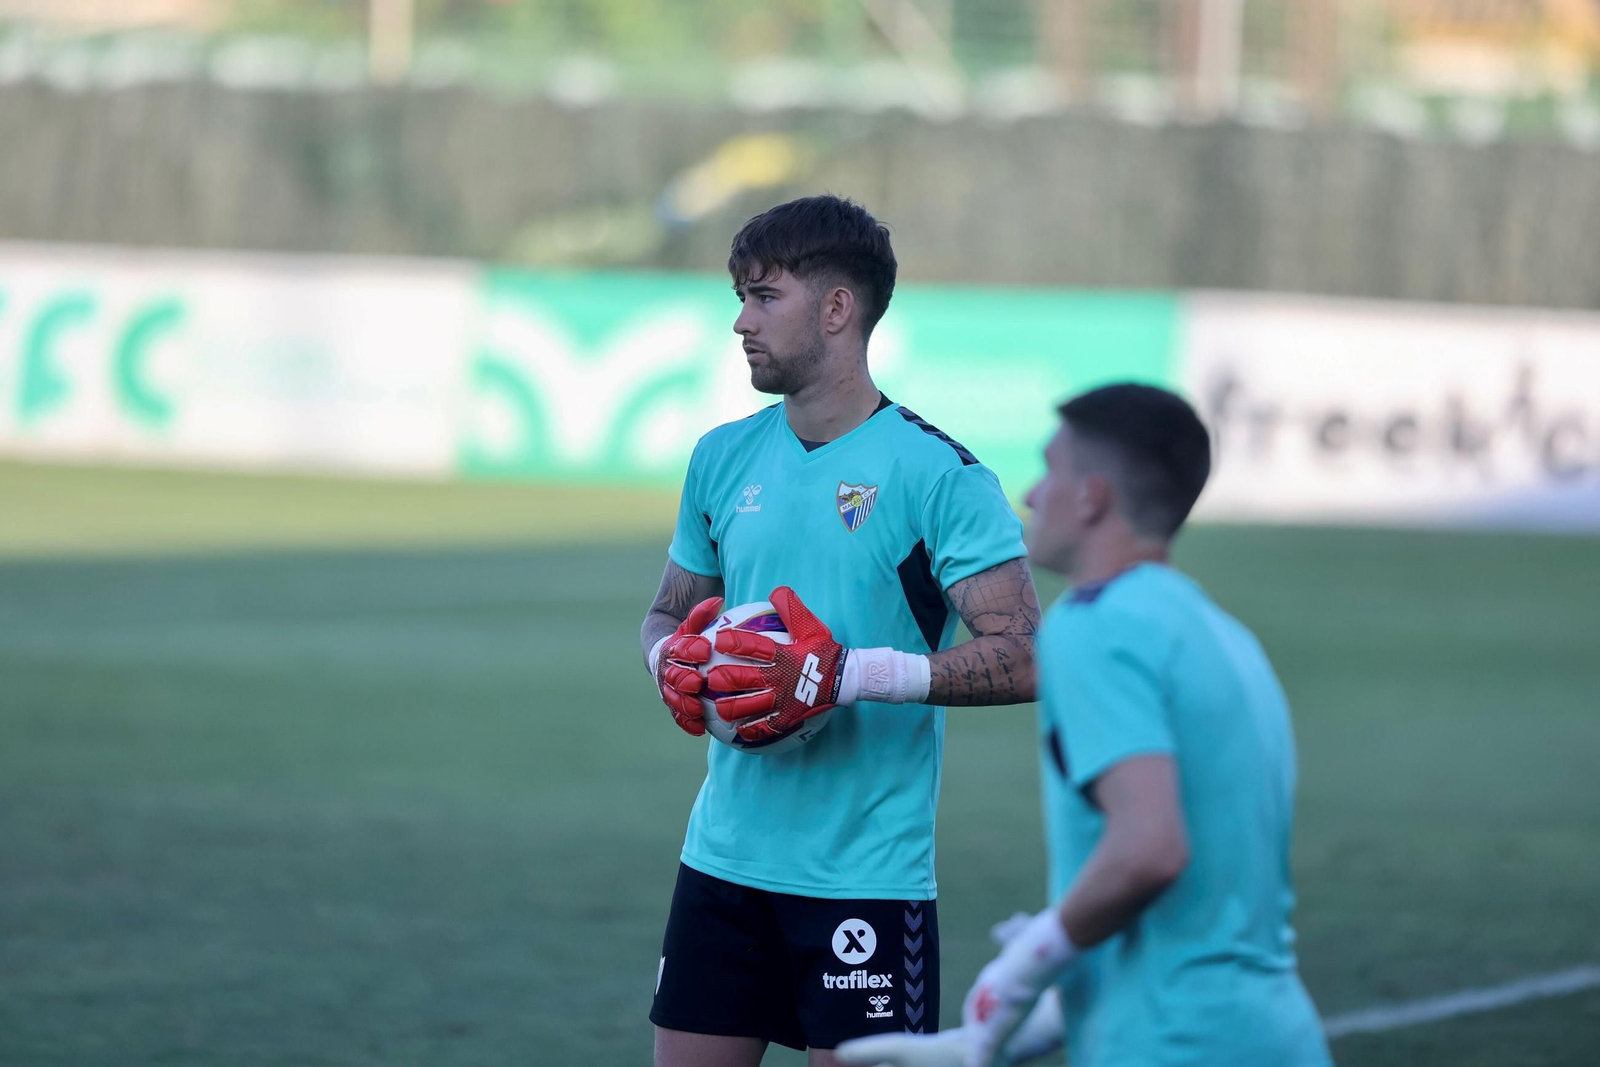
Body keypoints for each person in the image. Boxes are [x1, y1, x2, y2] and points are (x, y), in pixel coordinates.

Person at [640, 194, 1043, 1067]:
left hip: (864, 881)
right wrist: (664, 658)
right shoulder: (721, 456)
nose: (740, 322)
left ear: (836, 308)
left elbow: (1026, 654)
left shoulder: (940, 475)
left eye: (763, 296)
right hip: (721, 862)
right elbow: (670, 611)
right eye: (738, 298)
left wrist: (846, 674)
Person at [838, 383, 1331, 1067]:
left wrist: (1018, 974)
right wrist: (1043, 1019)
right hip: (1274, 1032)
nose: (1032, 496)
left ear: (1092, 497)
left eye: (1050, 471)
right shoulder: (1224, 635)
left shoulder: (1095, 625)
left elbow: (1151, 847)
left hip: (1171, 1042)